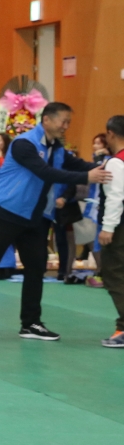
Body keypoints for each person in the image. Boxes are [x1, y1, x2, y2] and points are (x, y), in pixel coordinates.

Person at [0, 102, 109, 341]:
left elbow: (74, 164)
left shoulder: (56, 147)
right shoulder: (25, 144)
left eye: (68, 122)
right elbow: (46, 172)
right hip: (1, 214)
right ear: (47, 120)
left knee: (36, 266)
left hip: (33, 218)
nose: (66, 126)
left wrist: (105, 167)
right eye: (63, 121)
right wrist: (87, 176)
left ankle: (30, 322)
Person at [97, 116, 124, 347]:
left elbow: (115, 197)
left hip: (120, 228)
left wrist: (107, 228)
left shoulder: (116, 162)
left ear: (111, 134)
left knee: (114, 274)